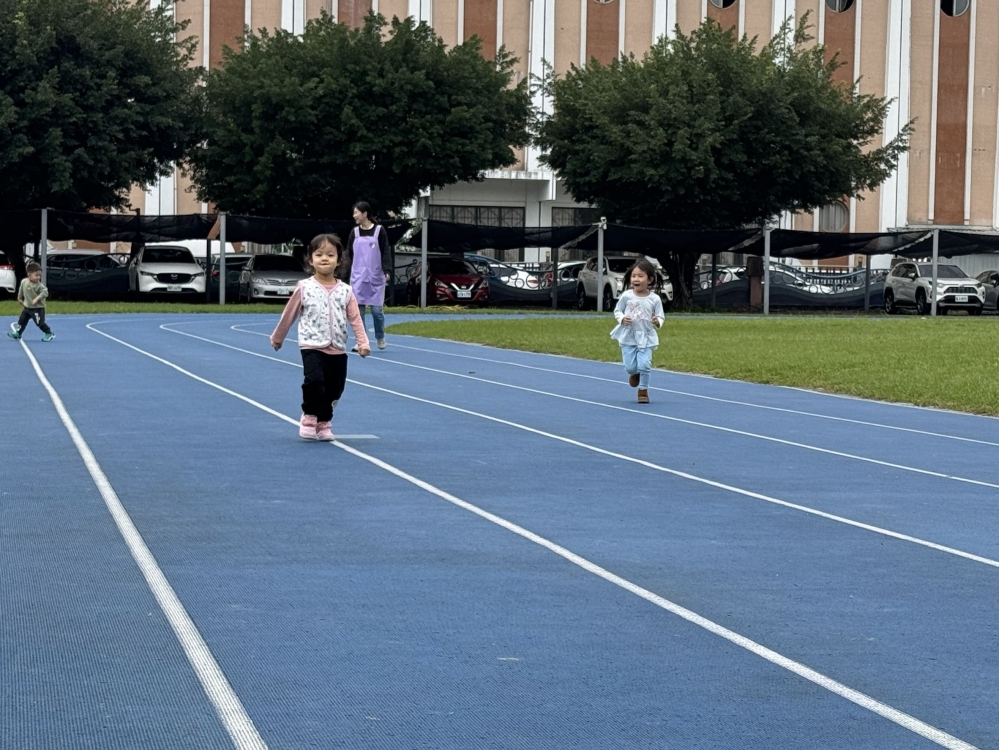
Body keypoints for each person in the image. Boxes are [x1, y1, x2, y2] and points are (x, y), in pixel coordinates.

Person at [271, 234, 370, 441]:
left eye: (330, 255)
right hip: (311, 345)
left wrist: (363, 342)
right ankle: (309, 416)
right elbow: (289, 314)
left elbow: (355, 319)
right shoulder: (304, 287)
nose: (324, 258)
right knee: (314, 381)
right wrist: (278, 338)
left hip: (338, 348)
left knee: (335, 388)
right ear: (310, 260)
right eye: (319, 254)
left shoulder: (346, 291)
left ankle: (324, 421)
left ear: (339, 260)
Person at [609, 259, 664, 404]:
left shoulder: (655, 299)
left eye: (640, 276)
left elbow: (660, 316)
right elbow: (617, 310)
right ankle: (635, 373)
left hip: (646, 337)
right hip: (628, 336)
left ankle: (643, 390)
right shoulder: (627, 296)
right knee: (630, 367)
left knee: (645, 364)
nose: (636, 279)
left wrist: (657, 321)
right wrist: (622, 319)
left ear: (649, 279)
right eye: (633, 276)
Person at [347, 201, 391, 350]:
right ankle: (362, 341)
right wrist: (344, 273)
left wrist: (387, 270)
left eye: (356, 213)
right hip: (358, 277)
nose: (354, 216)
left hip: (375, 276)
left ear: (365, 214)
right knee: (358, 312)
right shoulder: (354, 233)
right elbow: (349, 254)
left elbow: (385, 251)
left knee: (376, 312)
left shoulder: (379, 231)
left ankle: (380, 336)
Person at [8, 262, 55, 342]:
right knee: (22, 320)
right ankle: (18, 333)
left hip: (37, 309)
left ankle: (49, 333)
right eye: (36, 275)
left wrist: (37, 299)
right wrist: (19, 298)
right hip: (27, 307)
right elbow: (21, 290)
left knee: (39, 323)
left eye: (39, 275)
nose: (38, 277)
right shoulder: (24, 282)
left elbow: (45, 292)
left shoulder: (39, 285)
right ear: (29, 275)